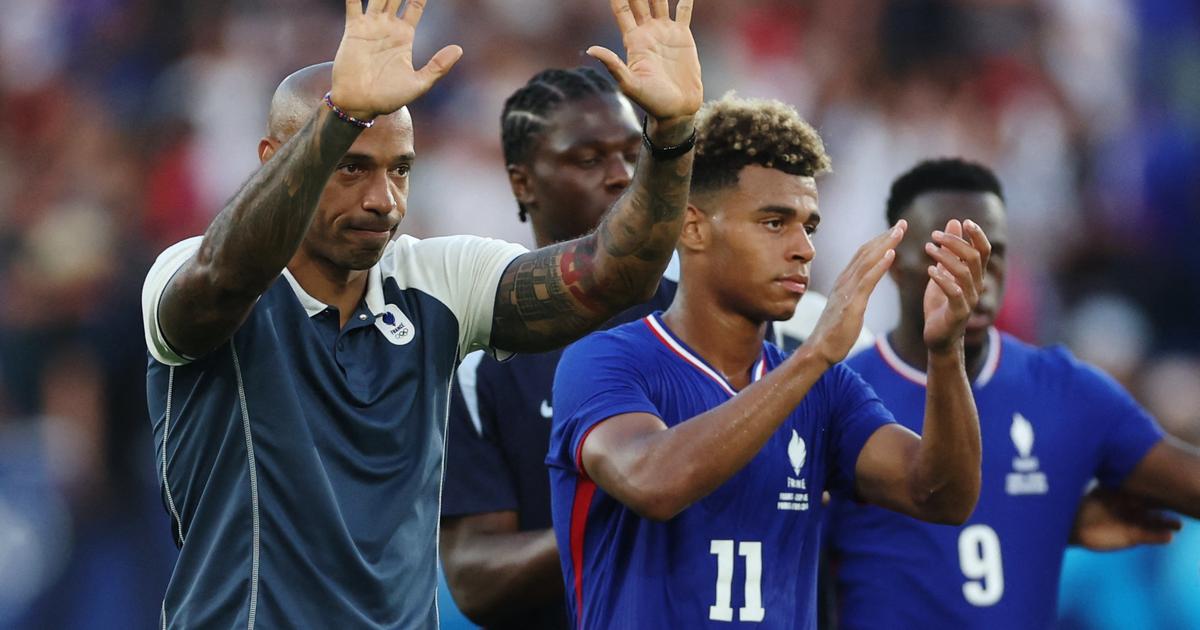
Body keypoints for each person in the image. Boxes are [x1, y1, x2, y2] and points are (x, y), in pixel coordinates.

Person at [139, 0, 704, 626]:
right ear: (274, 158)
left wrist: (672, 134)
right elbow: (222, 277)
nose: (382, 200)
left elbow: (615, 275)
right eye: (351, 167)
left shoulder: (434, 278)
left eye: (400, 169)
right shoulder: (190, 270)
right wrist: (339, 117)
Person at [546, 94, 992, 629]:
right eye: (775, 223)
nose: (804, 248)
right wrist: (813, 355)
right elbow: (652, 482)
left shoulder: (828, 389)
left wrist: (945, 351)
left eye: (810, 226)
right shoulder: (604, 361)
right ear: (692, 227)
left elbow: (942, 497)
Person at [825, 158, 1200, 630]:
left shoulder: (1066, 388)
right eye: (953, 258)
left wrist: (1050, 522)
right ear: (897, 267)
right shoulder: (843, 396)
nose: (977, 279)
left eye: (993, 255)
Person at [438, 67, 678, 629]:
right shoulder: (479, 353)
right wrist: (624, 506)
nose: (621, 176)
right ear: (523, 183)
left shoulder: (704, 319)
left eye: (633, 154)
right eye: (589, 159)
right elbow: (473, 576)